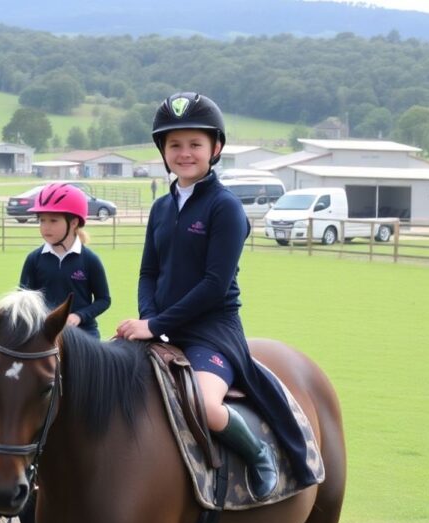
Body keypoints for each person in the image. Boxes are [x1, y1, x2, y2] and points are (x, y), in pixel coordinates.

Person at [115, 92, 318, 501]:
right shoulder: (160, 208)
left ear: (216, 148)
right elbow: (148, 272)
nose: (184, 153)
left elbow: (213, 285)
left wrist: (155, 324)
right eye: (175, 144)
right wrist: (148, 322)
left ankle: (258, 454)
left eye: (195, 144)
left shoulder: (225, 208)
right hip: (162, 329)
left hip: (212, 332)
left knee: (206, 406)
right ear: (163, 151)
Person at [19, 182, 110, 339]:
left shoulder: (90, 260)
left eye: (53, 221)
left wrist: (79, 316)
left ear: (73, 223)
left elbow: (103, 299)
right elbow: (23, 299)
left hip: (83, 334)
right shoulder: (33, 259)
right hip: (44, 334)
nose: (45, 227)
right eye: (42, 220)